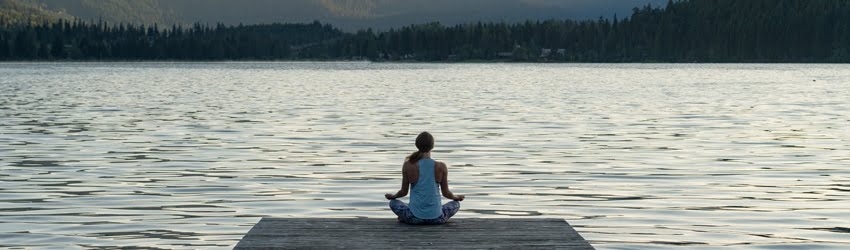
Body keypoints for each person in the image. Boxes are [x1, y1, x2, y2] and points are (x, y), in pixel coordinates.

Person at [385, 132, 465, 225]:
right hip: (437, 218)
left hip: (414, 218)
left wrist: (393, 197)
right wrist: (457, 197)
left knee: (393, 203)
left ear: (417, 145)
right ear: (432, 146)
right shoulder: (441, 166)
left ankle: (405, 217)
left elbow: (403, 192)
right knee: (456, 204)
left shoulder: (408, 165)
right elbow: (446, 193)